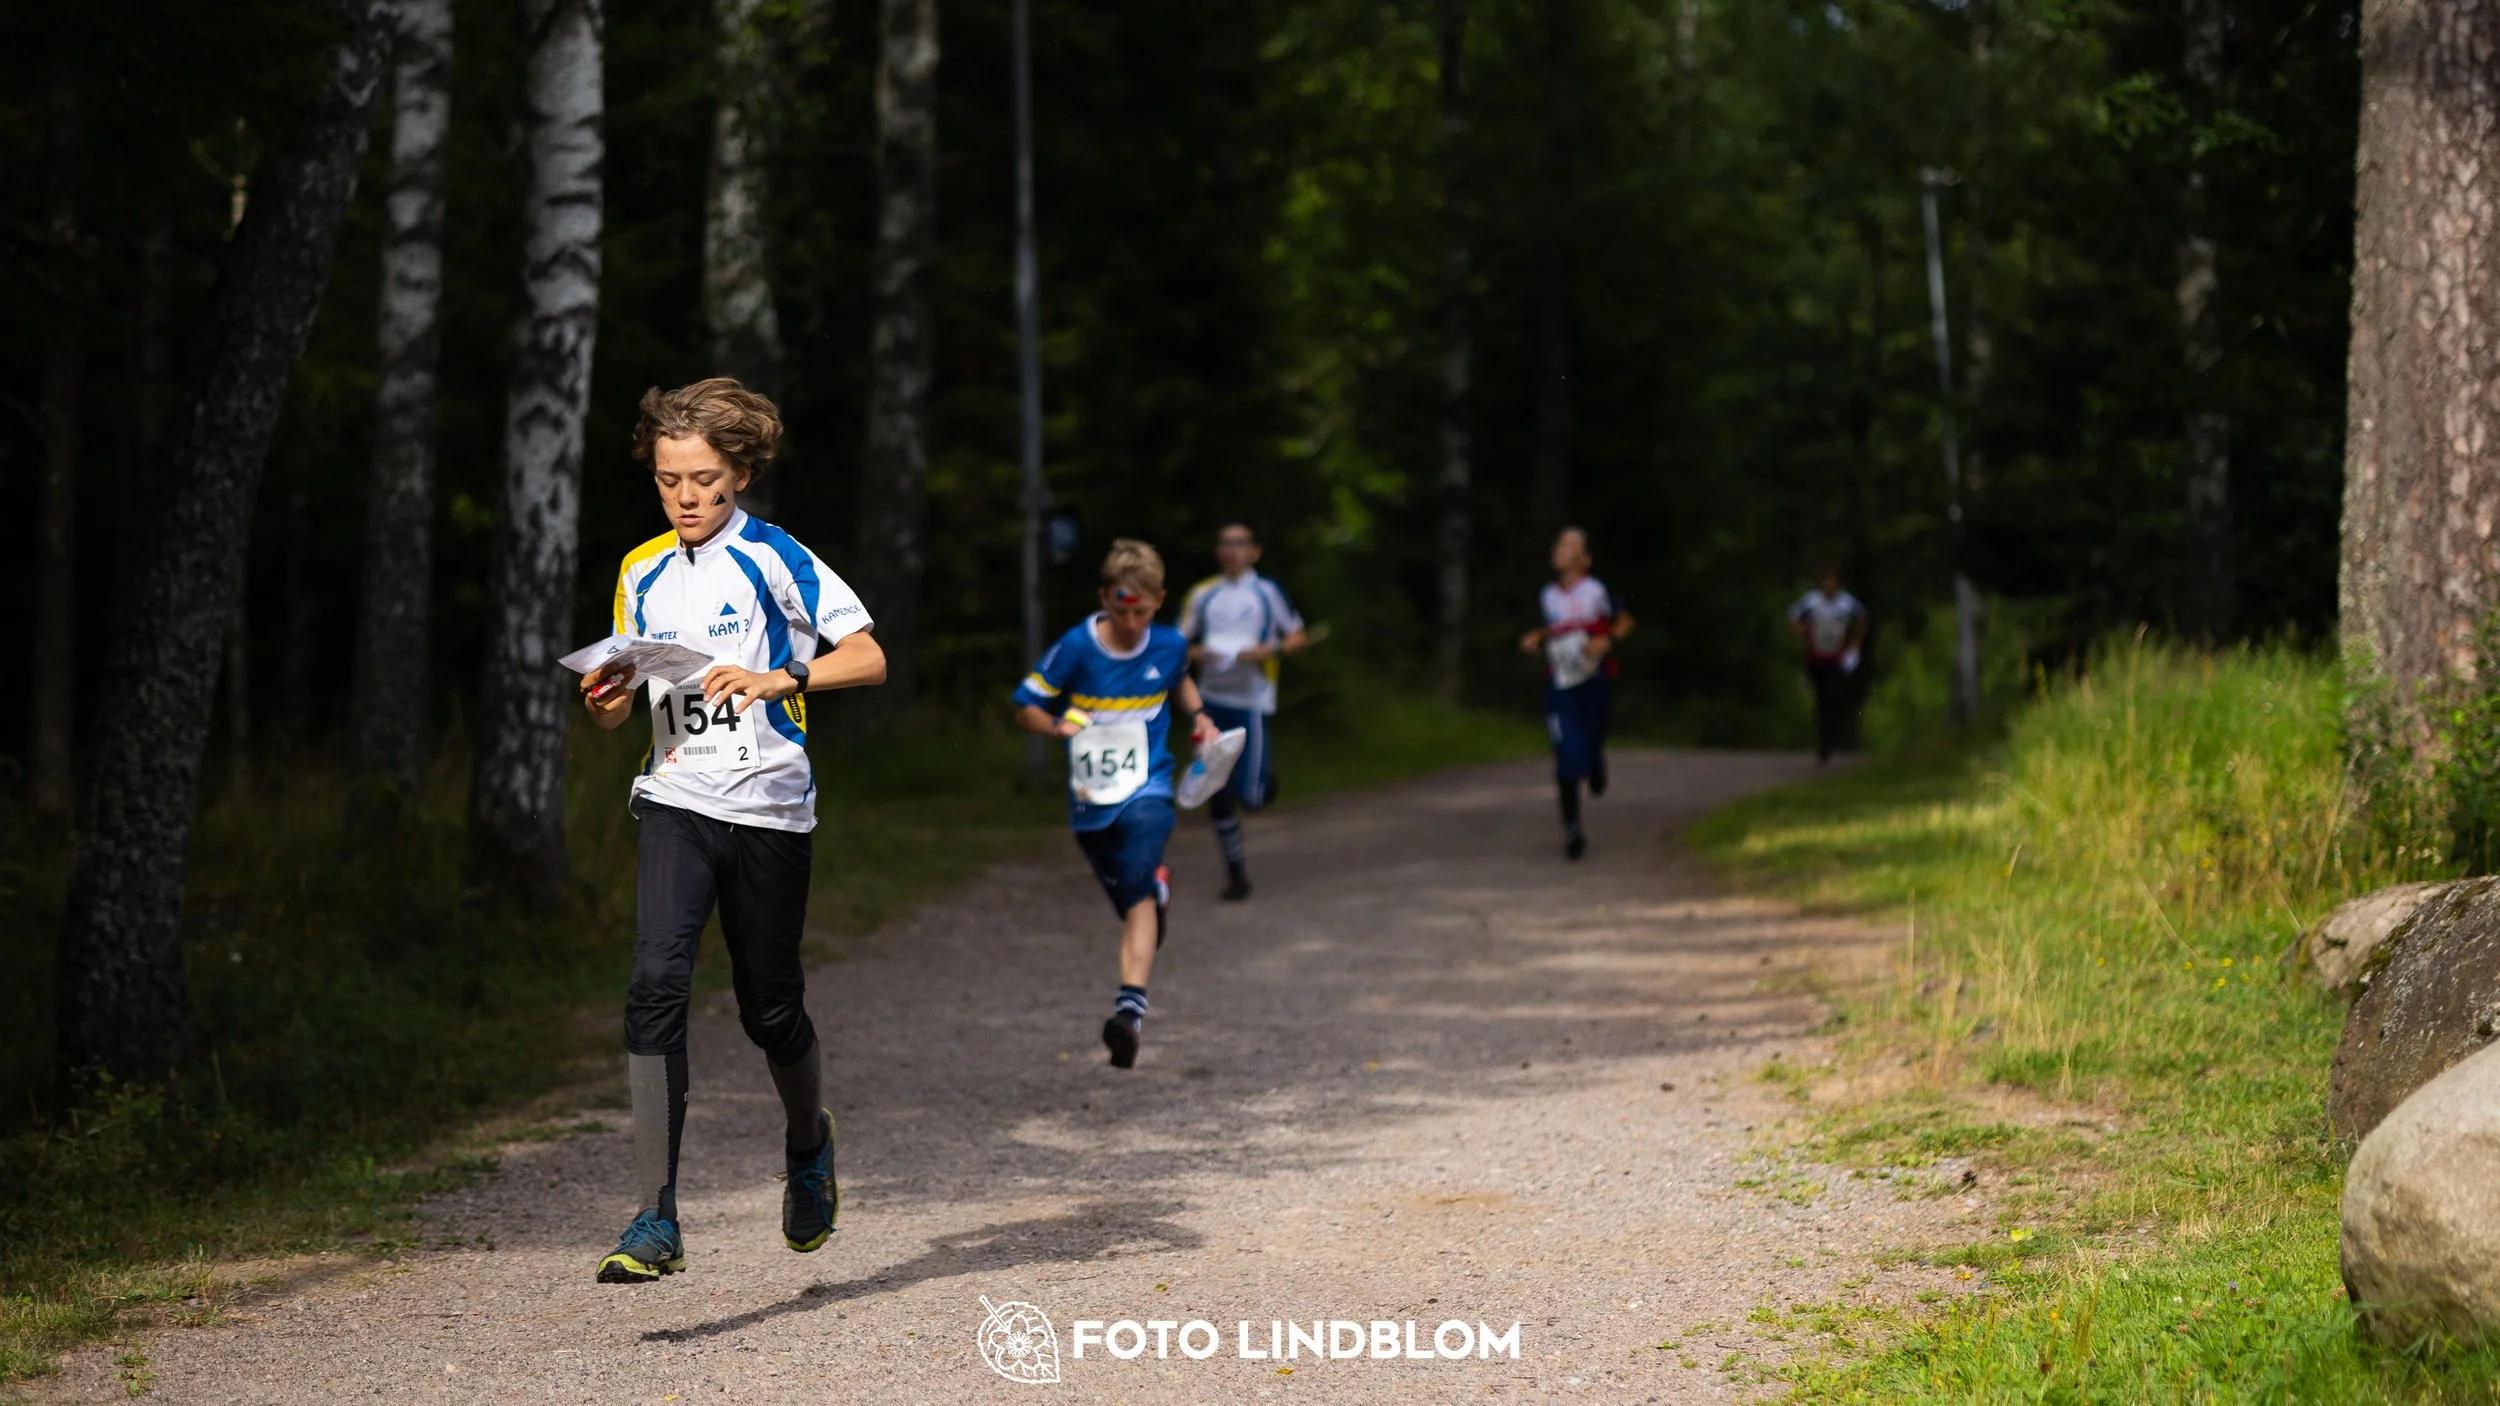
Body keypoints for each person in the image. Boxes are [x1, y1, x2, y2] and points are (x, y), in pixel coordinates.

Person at [578, 379, 887, 1284]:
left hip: (768, 808)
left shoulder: (777, 556)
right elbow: (619, 699)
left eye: (705, 479)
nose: (685, 497)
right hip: (677, 797)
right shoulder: (641, 570)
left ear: (741, 472)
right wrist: (604, 699)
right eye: (669, 478)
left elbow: (867, 658)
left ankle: (807, 1145)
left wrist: (780, 679)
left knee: (770, 1010)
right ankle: (653, 1217)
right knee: (653, 982)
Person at [1015, 539, 1221, 1069]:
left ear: (1160, 602)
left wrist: (1199, 716)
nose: (1131, 622)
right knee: (1134, 896)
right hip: (1090, 800)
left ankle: (1129, 1012)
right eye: (1121, 608)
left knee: (1136, 874)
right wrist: (1056, 727)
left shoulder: (1171, 645)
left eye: (1143, 611)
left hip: (1148, 786)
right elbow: (1026, 706)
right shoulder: (1077, 647)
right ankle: (1154, 891)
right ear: (1104, 596)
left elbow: (1181, 682)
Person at [1176, 521, 1308, 901]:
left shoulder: (1266, 592)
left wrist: (1270, 651)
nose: (1232, 550)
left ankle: (1264, 779)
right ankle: (1237, 874)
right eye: (1225, 543)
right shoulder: (1203, 595)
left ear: (1254, 551)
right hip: (1210, 702)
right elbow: (1177, 643)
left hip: (1252, 702)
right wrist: (1199, 653)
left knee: (1251, 796)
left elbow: (1297, 636)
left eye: (1240, 544)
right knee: (1217, 794)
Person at [1518, 527, 1632, 861]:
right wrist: (1535, 637)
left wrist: (1606, 640)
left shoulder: (1596, 591)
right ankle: (1571, 826)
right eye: (1559, 544)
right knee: (1567, 753)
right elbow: (1556, 629)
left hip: (1593, 680)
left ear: (1586, 559)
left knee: (1590, 742)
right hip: (1560, 683)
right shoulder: (1548, 596)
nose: (1561, 550)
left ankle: (1596, 762)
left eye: (1571, 546)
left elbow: (1624, 622)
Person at [1787, 563, 1868, 764]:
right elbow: (1792, 617)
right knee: (1821, 698)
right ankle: (1824, 739)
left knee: (1833, 695)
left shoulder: (1846, 603)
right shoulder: (1812, 602)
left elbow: (1862, 619)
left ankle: (1830, 737)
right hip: (1816, 657)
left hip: (1836, 657)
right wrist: (1802, 633)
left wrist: (1854, 644)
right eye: (1826, 582)